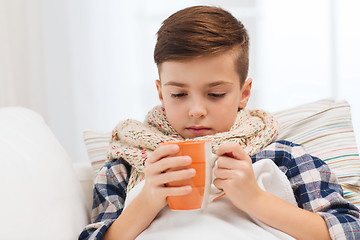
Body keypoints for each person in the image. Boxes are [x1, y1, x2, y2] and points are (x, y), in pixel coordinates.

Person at [79, 5, 360, 240]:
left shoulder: (284, 157)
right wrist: (146, 202)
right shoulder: (124, 167)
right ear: (161, 93)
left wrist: (255, 199)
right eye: (178, 94)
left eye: (215, 94)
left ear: (244, 93)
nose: (196, 110)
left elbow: (348, 230)